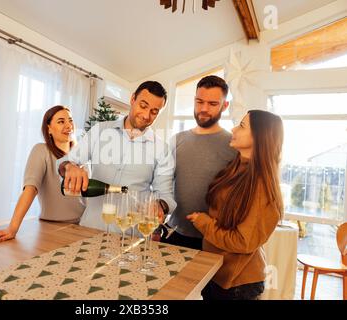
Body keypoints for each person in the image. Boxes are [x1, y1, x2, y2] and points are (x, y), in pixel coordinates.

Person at [187, 110, 284, 300]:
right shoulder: (236, 167)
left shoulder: (261, 185)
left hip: (237, 284)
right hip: (217, 272)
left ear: (259, 137)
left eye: (242, 126)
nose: (233, 129)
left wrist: (203, 222)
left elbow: (243, 242)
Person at [57, 81, 176, 232]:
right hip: (90, 229)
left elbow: (167, 196)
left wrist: (160, 205)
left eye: (154, 111)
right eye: (143, 106)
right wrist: (69, 166)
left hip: (130, 237)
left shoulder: (162, 150)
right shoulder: (100, 130)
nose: (146, 115)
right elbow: (62, 163)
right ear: (133, 99)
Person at [0, 106, 85, 243]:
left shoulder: (81, 156)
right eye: (61, 121)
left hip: (84, 227)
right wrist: (12, 229)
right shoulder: (41, 150)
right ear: (49, 129)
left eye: (70, 120)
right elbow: (31, 188)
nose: (69, 125)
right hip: (52, 229)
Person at [161, 75, 237, 250]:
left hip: (213, 239)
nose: (203, 109)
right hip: (173, 234)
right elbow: (162, 184)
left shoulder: (233, 145)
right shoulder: (176, 140)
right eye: (199, 101)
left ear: (225, 106)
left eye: (212, 104)